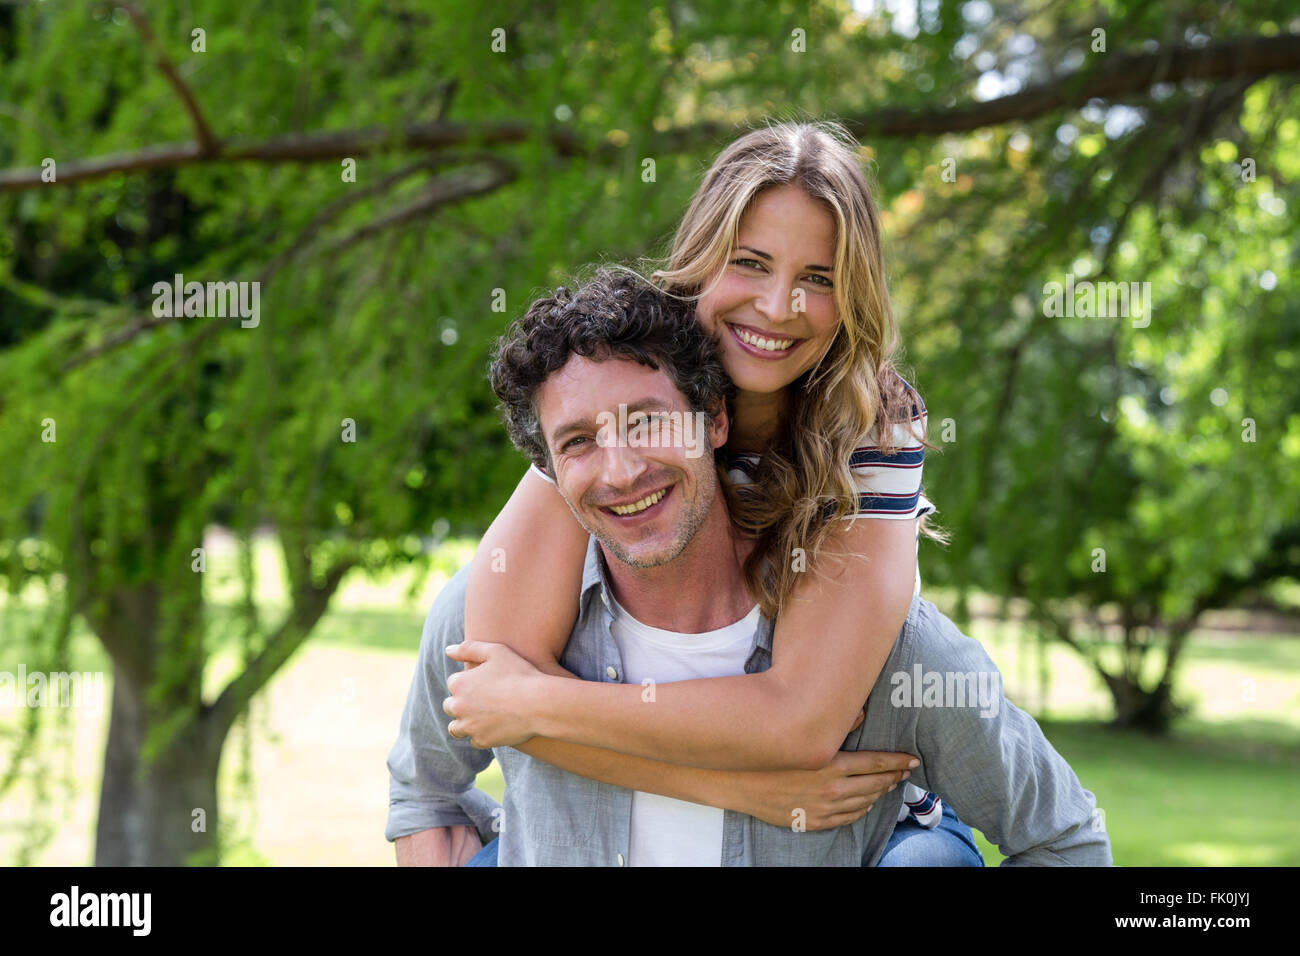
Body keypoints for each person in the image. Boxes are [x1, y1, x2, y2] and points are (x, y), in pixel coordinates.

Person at [385, 270, 1112, 866]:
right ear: (547, 469)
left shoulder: (881, 652)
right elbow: (426, 799)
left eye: (648, 421)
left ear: (715, 418)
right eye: (578, 442)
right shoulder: (496, 620)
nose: (622, 470)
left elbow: (1065, 839)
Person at [446, 121, 966, 861]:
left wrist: (538, 699)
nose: (779, 306)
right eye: (750, 263)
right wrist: (738, 790)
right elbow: (489, 676)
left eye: (817, 279)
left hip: (869, 821)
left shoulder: (873, 426)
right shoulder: (623, 366)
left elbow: (801, 723)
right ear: (701, 258)